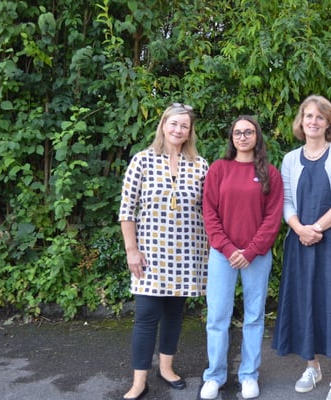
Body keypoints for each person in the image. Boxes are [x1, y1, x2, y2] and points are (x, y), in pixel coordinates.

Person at [272, 95, 331, 400]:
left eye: (320, 117)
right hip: (300, 242)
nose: (313, 121)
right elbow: (286, 201)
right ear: (301, 121)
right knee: (304, 303)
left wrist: (315, 228)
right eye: (308, 116)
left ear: (329, 123)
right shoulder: (290, 159)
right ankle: (312, 367)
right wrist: (300, 228)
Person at [118, 103, 209, 400]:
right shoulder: (142, 160)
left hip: (186, 253)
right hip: (150, 253)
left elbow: (209, 209)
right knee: (146, 315)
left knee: (174, 314)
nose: (178, 130)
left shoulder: (200, 165)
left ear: (190, 131)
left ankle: (166, 368)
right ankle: (139, 381)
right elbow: (127, 210)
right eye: (174, 124)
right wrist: (132, 250)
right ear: (163, 125)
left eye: (184, 126)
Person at [199, 115, 284, 400]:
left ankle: (249, 375)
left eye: (248, 132)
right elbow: (209, 213)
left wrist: (250, 251)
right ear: (231, 137)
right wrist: (227, 248)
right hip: (222, 255)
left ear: (257, 136)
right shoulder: (218, 169)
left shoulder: (270, 173)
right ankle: (214, 376)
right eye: (238, 132)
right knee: (217, 316)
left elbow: (272, 218)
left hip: (256, 256)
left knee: (254, 316)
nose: (243, 137)